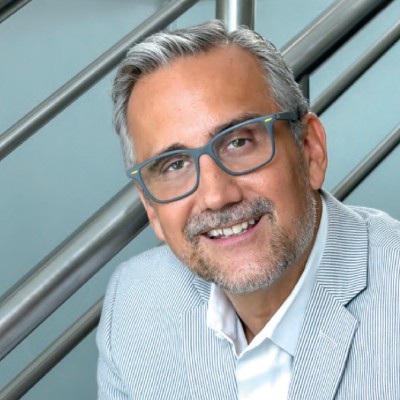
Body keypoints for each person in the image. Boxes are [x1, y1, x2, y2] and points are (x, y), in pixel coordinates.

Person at [96, 20, 400, 399]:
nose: (216, 196)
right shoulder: (134, 303)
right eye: (174, 165)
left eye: (239, 142)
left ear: (310, 151)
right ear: (151, 208)